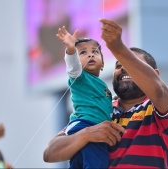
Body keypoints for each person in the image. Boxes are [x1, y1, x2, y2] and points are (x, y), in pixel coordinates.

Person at [44, 19, 168, 169]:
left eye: (131, 63)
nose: (123, 68)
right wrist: (87, 134)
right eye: (118, 65)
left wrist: (118, 48)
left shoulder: (163, 105)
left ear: (155, 74)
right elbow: (50, 153)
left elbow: (158, 91)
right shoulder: (100, 107)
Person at [54, 26, 113, 168]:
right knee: (98, 163)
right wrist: (71, 50)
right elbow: (73, 67)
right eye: (83, 52)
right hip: (87, 125)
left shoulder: (101, 84)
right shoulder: (79, 77)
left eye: (95, 52)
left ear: (103, 64)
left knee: (78, 164)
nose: (90, 55)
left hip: (85, 128)